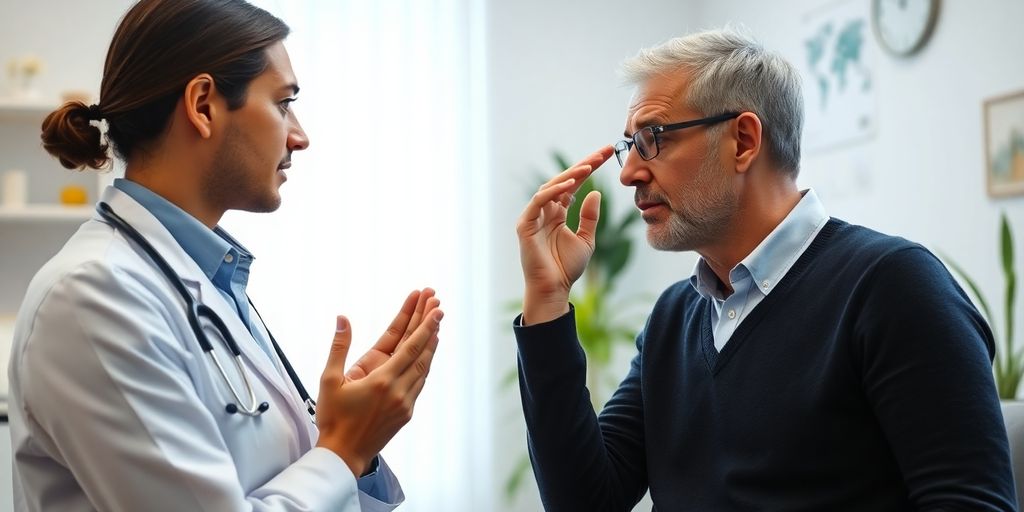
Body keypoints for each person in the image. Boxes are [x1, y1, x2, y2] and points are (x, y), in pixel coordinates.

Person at [513, 27, 1016, 511]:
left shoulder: (894, 288)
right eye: (631, 145)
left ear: (744, 140)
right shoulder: (673, 318)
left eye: (653, 138)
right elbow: (584, 500)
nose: (628, 173)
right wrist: (547, 298)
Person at [8, 1, 443, 510]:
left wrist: (344, 435)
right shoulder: (92, 296)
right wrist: (343, 450)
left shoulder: (206, 279)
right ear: (203, 105)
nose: (300, 136)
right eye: (283, 103)